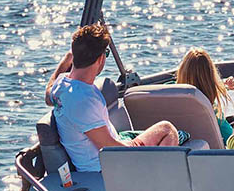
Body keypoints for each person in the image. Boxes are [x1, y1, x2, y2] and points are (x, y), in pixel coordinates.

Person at [45, 22, 187, 172]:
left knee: (171, 135)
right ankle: (159, 180)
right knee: (167, 129)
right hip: (107, 169)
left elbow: (48, 95)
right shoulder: (84, 102)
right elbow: (110, 149)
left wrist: (65, 61)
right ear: (100, 59)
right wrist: (134, 146)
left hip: (106, 158)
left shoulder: (62, 84)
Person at [174, 47, 234, 143]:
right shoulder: (210, 113)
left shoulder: (169, 93)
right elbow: (232, 141)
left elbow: (191, 87)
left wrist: (223, 87)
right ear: (211, 75)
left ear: (182, 70)